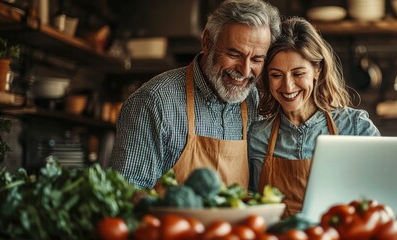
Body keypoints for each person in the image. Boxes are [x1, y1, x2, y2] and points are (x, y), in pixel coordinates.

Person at [109, 0, 281, 189]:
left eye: (257, 59)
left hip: (239, 220)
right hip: (173, 219)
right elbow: (126, 195)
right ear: (207, 42)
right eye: (234, 55)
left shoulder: (254, 102)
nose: (245, 70)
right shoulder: (153, 102)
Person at [248, 16, 380, 217]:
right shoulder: (257, 135)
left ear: (317, 70)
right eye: (276, 75)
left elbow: (381, 200)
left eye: (298, 73)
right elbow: (249, 206)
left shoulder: (356, 127)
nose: (288, 86)